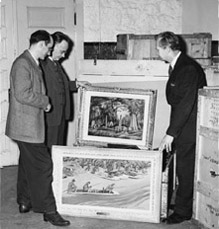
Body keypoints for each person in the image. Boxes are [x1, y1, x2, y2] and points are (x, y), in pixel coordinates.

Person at [5, 30, 70, 227]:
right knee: (43, 166)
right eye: (48, 48)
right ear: (40, 44)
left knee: (27, 163)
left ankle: (25, 201)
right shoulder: (23, 63)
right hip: (26, 127)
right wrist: (45, 102)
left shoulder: (30, 62)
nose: (48, 52)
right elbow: (22, 94)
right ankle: (49, 210)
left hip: (27, 126)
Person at [157, 31, 207, 224]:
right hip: (182, 123)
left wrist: (171, 133)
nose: (158, 52)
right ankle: (180, 205)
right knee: (181, 168)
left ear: (168, 48)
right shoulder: (178, 65)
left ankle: (183, 212)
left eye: (159, 49)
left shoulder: (187, 68)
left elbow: (185, 104)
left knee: (185, 169)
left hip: (188, 126)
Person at [40, 31, 88, 149]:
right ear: (51, 46)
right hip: (50, 117)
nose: (64, 56)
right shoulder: (42, 65)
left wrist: (76, 84)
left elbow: (62, 85)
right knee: (50, 149)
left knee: (58, 148)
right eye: (62, 51)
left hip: (61, 115)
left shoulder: (56, 64)